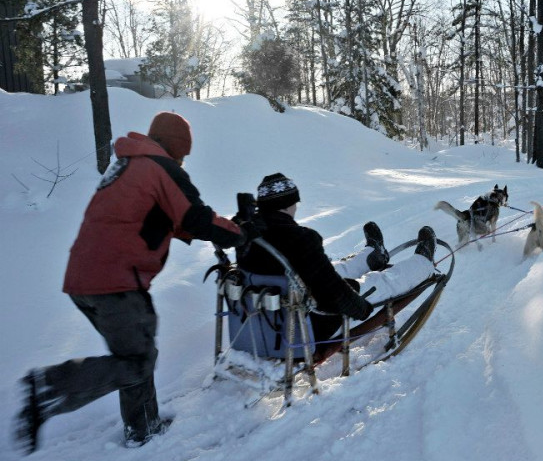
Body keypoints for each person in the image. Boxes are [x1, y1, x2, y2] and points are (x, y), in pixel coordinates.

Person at [13, 111, 254, 454]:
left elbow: (166, 219)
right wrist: (241, 233)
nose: (184, 160)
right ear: (175, 147)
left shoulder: (128, 165)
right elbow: (194, 217)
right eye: (183, 153)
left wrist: (224, 229)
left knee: (137, 351)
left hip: (85, 279)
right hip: (116, 281)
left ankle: (143, 428)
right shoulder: (161, 167)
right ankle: (48, 388)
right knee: (136, 362)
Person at [236, 172, 438, 342]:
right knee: (380, 281)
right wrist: (361, 308)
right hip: (311, 325)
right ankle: (423, 263)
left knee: (333, 269)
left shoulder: (248, 237)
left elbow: (322, 275)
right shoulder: (301, 238)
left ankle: (372, 256)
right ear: (289, 204)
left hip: (267, 322)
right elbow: (334, 295)